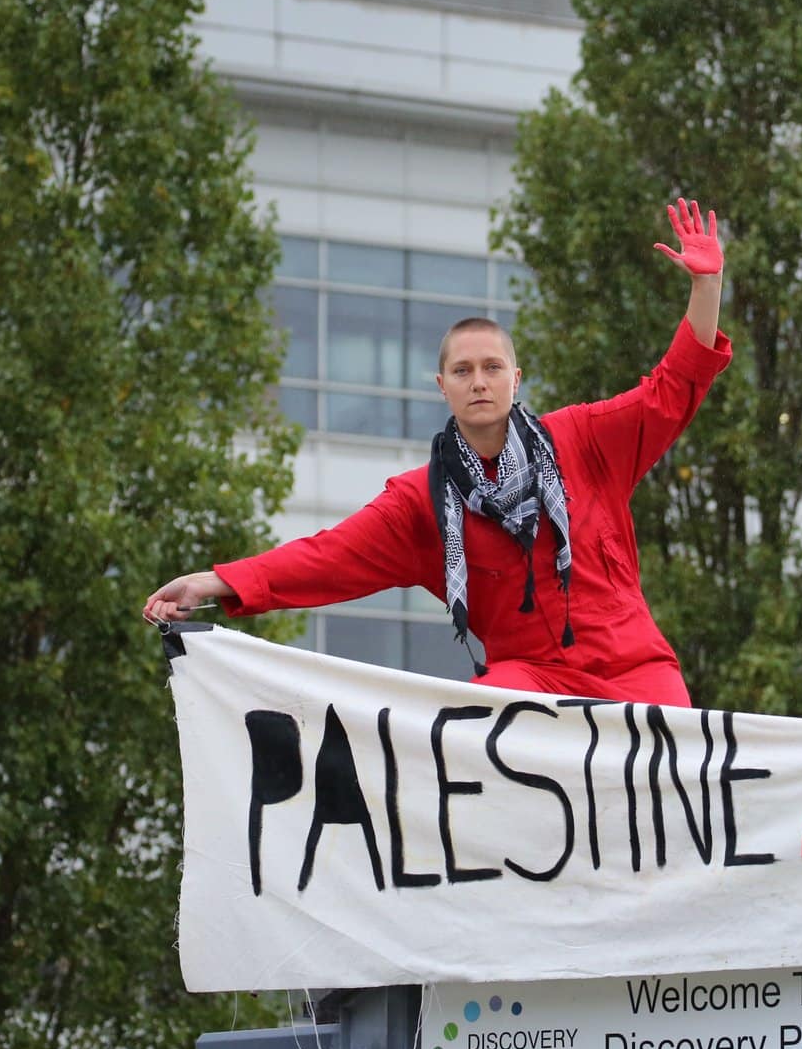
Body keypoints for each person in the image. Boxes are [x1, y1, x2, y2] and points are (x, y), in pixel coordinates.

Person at [142, 199, 731, 707]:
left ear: (515, 379)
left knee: (680, 770)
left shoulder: (583, 438)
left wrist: (706, 287)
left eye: (492, 368)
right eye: (463, 370)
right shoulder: (420, 504)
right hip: (533, 678)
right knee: (482, 717)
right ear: (442, 385)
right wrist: (214, 582)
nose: (479, 381)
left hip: (634, 669)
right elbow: (326, 557)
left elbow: (672, 389)